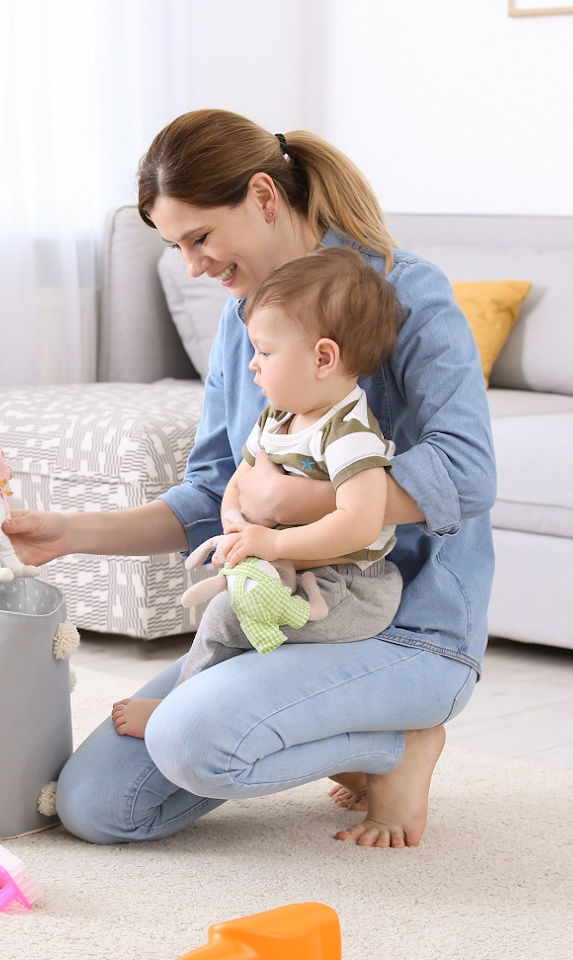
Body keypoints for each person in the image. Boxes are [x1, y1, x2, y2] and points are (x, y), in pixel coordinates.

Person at [4, 110, 495, 849]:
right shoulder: (248, 320)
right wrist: (71, 534)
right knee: (99, 805)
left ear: (264, 196)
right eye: (176, 246)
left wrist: (306, 500)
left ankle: (399, 742)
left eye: (200, 237)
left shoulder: (406, 295)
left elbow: (469, 469)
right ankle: (340, 723)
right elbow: (209, 491)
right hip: (289, 613)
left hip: (406, 629)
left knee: (191, 739)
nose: (192, 265)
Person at [120, 246, 406, 728]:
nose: (252, 365)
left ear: (323, 357)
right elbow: (241, 479)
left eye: (266, 352)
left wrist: (272, 541)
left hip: (351, 590)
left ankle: (178, 714)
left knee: (225, 619)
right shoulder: (278, 416)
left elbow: (359, 525)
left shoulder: (350, 434)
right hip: (293, 572)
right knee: (230, 619)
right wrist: (234, 518)